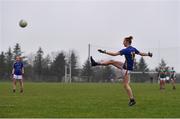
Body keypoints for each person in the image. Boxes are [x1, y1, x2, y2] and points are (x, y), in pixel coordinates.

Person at [90, 36, 152, 106]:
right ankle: (95, 63)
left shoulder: (126, 50)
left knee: (126, 85)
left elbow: (114, 54)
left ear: (127, 42)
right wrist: (148, 54)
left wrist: (104, 52)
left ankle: (132, 100)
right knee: (111, 61)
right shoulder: (133, 49)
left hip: (126, 69)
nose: (123, 43)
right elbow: (141, 54)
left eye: (124, 41)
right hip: (126, 66)